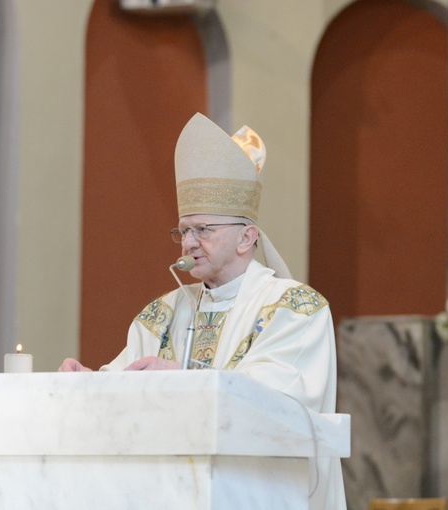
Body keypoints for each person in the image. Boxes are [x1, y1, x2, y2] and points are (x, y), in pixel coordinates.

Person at [59, 112, 345, 509]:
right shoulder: (162, 313)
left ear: (247, 238)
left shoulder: (296, 309)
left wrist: (184, 378)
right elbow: (125, 383)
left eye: (203, 230)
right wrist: (89, 384)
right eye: (183, 230)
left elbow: (279, 402)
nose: (188, 243)